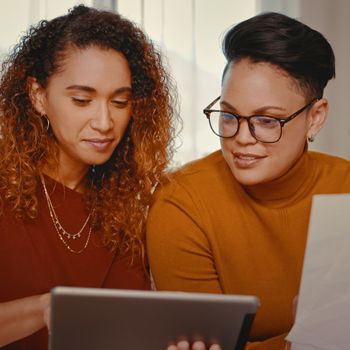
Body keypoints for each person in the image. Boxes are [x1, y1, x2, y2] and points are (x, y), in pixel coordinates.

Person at [147, 12, 350, 350]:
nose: (241, 137)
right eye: (228, 116)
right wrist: (314, 336)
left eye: (267, 120)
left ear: (315, 119)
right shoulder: (181, 202)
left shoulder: (345, 187)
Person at [0, 5, 177, 349]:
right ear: (38, 96)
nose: (104, 122)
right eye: (82, 100)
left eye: (120, 102)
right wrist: (43, 309)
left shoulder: (125, 203)